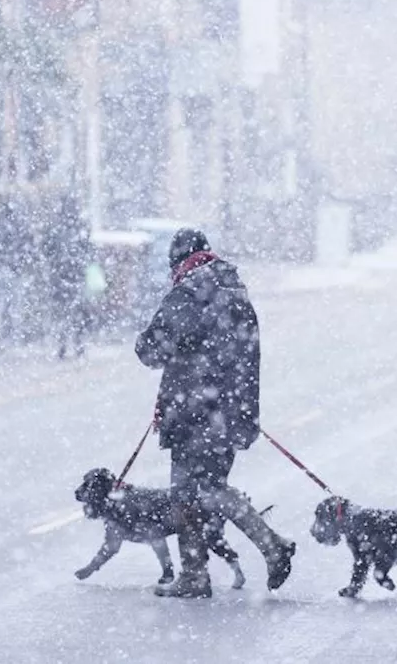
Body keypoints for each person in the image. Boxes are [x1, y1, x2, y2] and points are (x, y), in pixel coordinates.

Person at [135, 228, 296, 598]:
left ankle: (265, 547)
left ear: (178, 261)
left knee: (191, 493)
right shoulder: (234, 291)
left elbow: (152, 350)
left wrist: (143, 342)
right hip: (230, 411)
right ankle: (198, 574)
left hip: (195, 413)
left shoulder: (190, 292)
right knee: (201, 492)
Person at [45, 195, 88, 359]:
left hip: (61, 276)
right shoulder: (80, 228)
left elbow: (48, 250)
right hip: (74, 276)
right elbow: (87, 249)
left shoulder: (57, 229)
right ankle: (78, 345)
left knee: (63, 314)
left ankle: (63, 346)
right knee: (77, 314)